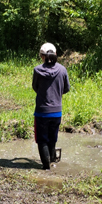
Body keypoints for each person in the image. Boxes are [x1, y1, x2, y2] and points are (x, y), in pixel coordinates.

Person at [32, 42, 70, 170]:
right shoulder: (62, 69)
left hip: (42, 111)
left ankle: (46, 166)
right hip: (57, 111)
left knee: (42, 139)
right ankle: (52, 160)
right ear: (56, 55)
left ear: (42, 56)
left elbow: (35, 87)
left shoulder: (37, 70)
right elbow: (66, 88)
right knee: (52, 138)